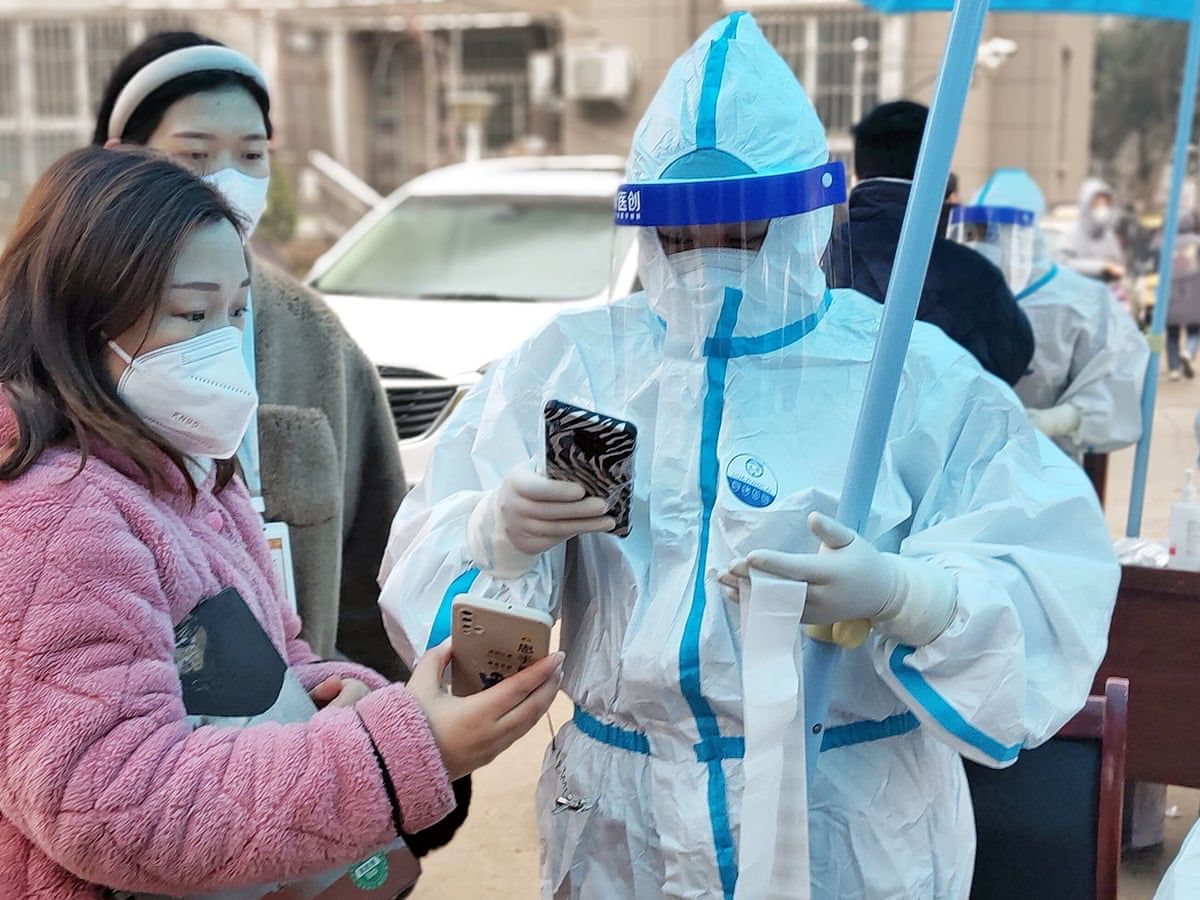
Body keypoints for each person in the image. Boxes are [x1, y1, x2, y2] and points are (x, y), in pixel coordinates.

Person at [378, 14, 1119, 899]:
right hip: (623, 824)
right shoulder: (570, 367)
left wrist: (910, 596)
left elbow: (1049, 580)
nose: (708, 261)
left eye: (741, 233)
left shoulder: (907, 375)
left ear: (802, 220)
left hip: (842, 823)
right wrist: (492, 542)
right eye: (680, 237)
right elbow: (459, 637)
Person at [0, 147, 561, 897]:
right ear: (79, 317)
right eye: (192, 314)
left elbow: (275, 656)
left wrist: (351, 700)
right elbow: (117, 801)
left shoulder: (189, 472)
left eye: (237, 312)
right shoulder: (53, 516)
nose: (224, 344)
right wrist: (396, 752)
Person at [95, 33, 407, 682]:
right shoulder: (61, 331)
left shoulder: (314, 336)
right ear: (122, 161)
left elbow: (372, 560)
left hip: (298, 708)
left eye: (252, 154)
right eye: (195, 153)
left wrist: (384, 708)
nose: (228, 180)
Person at [825, 100, 1034, 385]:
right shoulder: (977, 277)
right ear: (941, 174)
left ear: (858, 173)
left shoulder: (817, 259)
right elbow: (1010, 363)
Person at [953, 168, 1148, 458]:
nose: (984, 243)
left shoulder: (1084, 300)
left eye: (996, 231)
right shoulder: (950, 288)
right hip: (957, 458)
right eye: (978, 231)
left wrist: (1059, 420)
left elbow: (1118, 379)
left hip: (1046, 463)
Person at [1061, 177, 1127, 284]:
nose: (1102, 209)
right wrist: (1100, 266)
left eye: (1105, 204)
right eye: (1097, 204)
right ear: (1086, 206)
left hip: (1104, 292)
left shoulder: (1108, 235)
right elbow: (1063, 264)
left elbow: (1118, 266)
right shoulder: (1071, 235)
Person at [1165, 212, 1200, 381]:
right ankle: (1188, 351)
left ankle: (1174, 369)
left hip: (1171, 293)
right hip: (1193, 293)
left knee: (1172, 334)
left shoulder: (1167, 243)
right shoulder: (1197, 242)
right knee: (1195, 330)